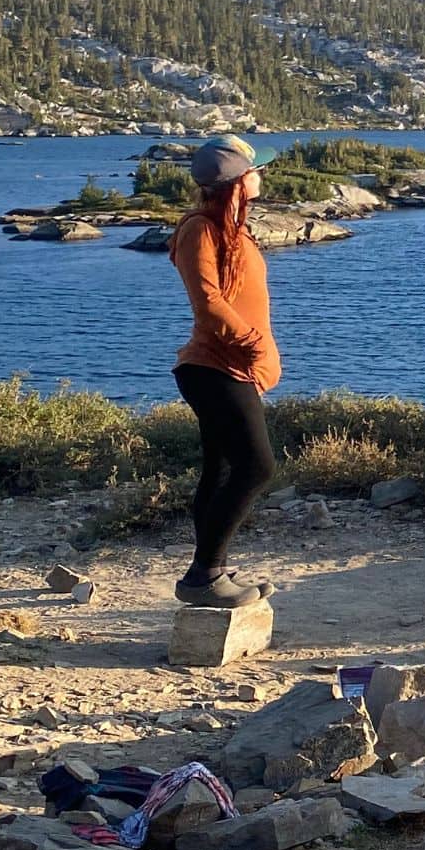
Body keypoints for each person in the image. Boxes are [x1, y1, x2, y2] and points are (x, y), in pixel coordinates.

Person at [168, 133, 281, 607]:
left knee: (218, 471)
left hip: (230, 368)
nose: (261, 175)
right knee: (257, 467)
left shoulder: (232, 228)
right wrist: (256, 346)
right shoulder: (200, 228)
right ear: (237, 180)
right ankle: (203, 576)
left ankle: (212, 572)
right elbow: (208, 302)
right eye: (255, 169)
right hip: (213, 368)